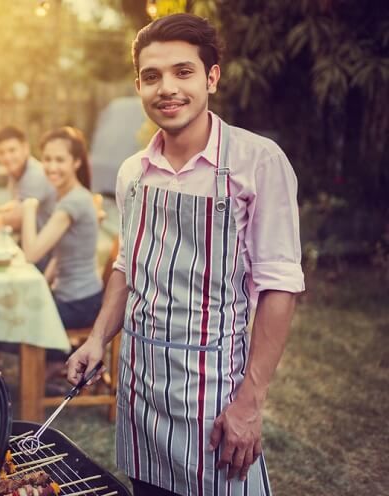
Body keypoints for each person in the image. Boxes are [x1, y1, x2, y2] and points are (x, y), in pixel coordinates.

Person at [66, 13, 304, 496]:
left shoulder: (258, 162)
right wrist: (96, 340)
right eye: (151, 77)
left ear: (211, 77)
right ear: (138, 85)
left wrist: (250, 403)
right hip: (140, 392)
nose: (166, 88)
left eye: (183, 72)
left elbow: (280, 286)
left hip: (214, 397)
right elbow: (126, 266)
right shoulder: (133, 171)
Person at [21, 127, 103, 329]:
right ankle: (56, 358)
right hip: (76, 297)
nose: (51, 166)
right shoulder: (69, 196)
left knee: (15, 322)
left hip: (80, 304)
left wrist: (29, 208)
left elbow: (31, 254)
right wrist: (43, 286)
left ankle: (55, 359)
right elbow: (59, 257)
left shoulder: (73, 201)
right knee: (18, 309)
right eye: (47, 159)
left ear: (76, 162)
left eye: (59, 160)